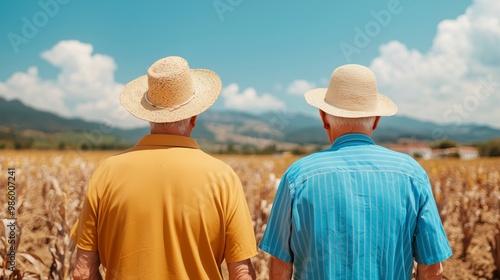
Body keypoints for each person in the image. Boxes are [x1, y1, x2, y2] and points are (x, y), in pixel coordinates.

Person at [258, 64, 452, 280]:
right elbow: (432, 269)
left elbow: (280, 268)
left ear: (323, 117)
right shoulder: (413, 175)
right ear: (377, 119)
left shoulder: (297, 176)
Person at [71, 56, 257, 280]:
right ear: (194, 118)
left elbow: (83, 273)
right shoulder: (223, 178)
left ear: (149, 117)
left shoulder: (106, 172)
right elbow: (241, 274)